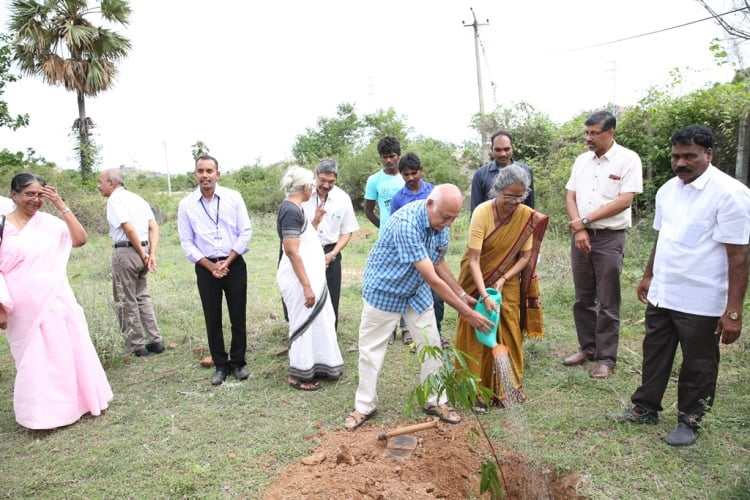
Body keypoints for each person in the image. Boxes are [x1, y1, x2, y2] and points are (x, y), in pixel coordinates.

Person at [606, 125, 750, 446]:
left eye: (690, 156)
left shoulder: (731, 194)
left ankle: (690, 419)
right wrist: (648, 275)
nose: (681, 163)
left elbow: (739, 256)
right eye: (676, 156)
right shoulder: (668, 190)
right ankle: (645, 408)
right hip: (664, 291)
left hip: (702, 297)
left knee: (698, 361)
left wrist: (734, 311)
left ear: (708, 155)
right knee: (654, 351)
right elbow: (663, 236)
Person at [343, 184, 495, 430]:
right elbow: (432, 278)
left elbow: (439, 261)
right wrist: (467, 313)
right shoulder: (406, 223)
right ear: (429, 204)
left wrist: (462, 294)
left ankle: (435, 400)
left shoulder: (440, 224)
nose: (447, 223)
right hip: (385, 290)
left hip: (415, 291)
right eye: (445, 217)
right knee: (371, 350)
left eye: (453, 218)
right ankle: (364, 406)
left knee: (432, 345)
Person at [0, 173, 112, 429]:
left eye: (40, 194)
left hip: (57, 299)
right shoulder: (2, 227)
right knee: (33, 359)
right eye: (29, 194)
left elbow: (80, 239)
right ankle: (40, 416)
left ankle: (77, 405)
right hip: (21, 307)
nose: (35, 200)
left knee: (65, 352)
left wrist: (61, 205)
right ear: (15, 194)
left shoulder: (49, 223)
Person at [454, 165, 548, 411]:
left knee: (507, 325)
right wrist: (484, 295)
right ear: (497, 191)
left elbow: (525, 257)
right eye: (509, 197)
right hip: (476, 278)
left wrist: (504, 278)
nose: (515, 202)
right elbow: (474, 259)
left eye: (520, 197)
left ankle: (507, 389)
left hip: (506, 280)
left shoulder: (525, 215)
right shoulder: (482, 213)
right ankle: (476, 392)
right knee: (477, 325)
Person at [563, 110, 643, 379]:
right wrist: (579, 227)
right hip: (581, 236)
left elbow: (625, 200)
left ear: (611, 133)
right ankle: (588, 348)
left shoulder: (628, 159)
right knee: (583, 297)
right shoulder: (581, 161)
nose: (588, 138)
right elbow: (571, 196)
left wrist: (584, 221)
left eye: (594, 133)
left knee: (608, 300)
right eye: (586, 133)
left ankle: (606, 358)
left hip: (609, 238)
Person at [177, 155, 253, 386]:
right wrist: (211, 266)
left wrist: (227, 262)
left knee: (237, 314)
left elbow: (246, 231)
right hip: (206, 267)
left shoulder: (233, 197)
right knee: (212, 317)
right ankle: (220, 365)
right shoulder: (187, 204)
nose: (205, 175)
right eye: (200, 171)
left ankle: (238, 362)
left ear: (217, 174)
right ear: (195, 174)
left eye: (209, 171)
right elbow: (186, 242)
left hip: (234, 263)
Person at [277, 166, 344, 391]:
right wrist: (306, 286)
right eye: (312, 186)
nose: (313, 190)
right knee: (302, 323)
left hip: (309, 277)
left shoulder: (297, 209)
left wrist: (314, 222)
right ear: (305, 187)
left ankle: (319, 364)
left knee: (318, 320)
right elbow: (292, 252)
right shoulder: (289, 210)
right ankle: (298, 375)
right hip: (298, 280)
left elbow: (304, 239)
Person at [97, 169, 164, 357]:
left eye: (100, 182)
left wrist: (144, 254)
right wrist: (151, 253)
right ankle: (155, 340)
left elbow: (127, 227)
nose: (98, 186)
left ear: (111, 183)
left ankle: (136, 345)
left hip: (127, 251)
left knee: (125, 298)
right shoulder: (138, 198)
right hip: (143, 251)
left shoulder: (115, 200)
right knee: (142, 296)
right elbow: (153, 226)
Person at [389, 152, 447, 348]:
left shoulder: (434, 192)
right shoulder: (398, 198)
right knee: (407, 294)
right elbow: (395, 225)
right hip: (409, 254)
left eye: (414, 173)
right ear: (400, 174)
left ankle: (436, 335)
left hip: (431, 252)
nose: (411, 177)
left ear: (420, 170)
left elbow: (443, 222)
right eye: (406, 174)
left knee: (436, 297)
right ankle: (409, 334)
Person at [300, 158, 359, 330]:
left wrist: (332, 254)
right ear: (315, 175)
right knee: (306, 294)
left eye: (331, 182)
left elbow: (347, 231)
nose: (326, 185)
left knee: (331, 297)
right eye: (322, 180)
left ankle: (329, 336)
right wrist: (315, 221)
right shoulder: (301, 193)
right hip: (304, 250)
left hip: (330, 252)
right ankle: (305, 334)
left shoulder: (342, 198)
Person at [364, 135, 410, 345]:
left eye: (392, 156)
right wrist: (384, 227)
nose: (389, 161)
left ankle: (407, 328)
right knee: (388, 282)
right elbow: (368, 210)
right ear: (380, 158)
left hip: (409, 237)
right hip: (387, 241)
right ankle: (389, 329)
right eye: (385, 157)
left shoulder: (407, 177)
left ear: (398, 155)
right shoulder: (375, 180)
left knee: (408, 280)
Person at [471, 130, 535, 212]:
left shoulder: (526, 171)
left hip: (519, 223)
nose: (503, 154)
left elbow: (530, 207)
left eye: (506, 149)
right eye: (498, 150)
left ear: (512, 148)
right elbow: (475, 210)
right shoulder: (481, 174)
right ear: (492, 150)